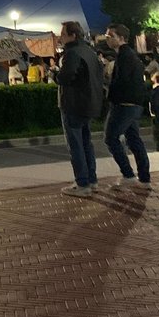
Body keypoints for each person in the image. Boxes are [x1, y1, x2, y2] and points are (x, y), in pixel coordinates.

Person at [55, 20, 104, 197]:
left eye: (63, 34)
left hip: (73, 103)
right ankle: (91, 179)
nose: (60, 37)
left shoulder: (72, 53)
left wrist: (56, 74)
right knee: (86, 143)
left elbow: (66, 77)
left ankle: (82, 183)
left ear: (72, 35)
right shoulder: (89, 51)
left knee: (75, 144)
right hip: (88, 103)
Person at [103, 24, 152, 190]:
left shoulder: (124, 57)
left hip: (124, 104)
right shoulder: (130, 55)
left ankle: (128, 174)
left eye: (111, 35)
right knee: (134, 139)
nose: (107, 38)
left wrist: (109, 91)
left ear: (121, 38)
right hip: (134, 104)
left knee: (111, 138)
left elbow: (121, 82)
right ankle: (144, 178)